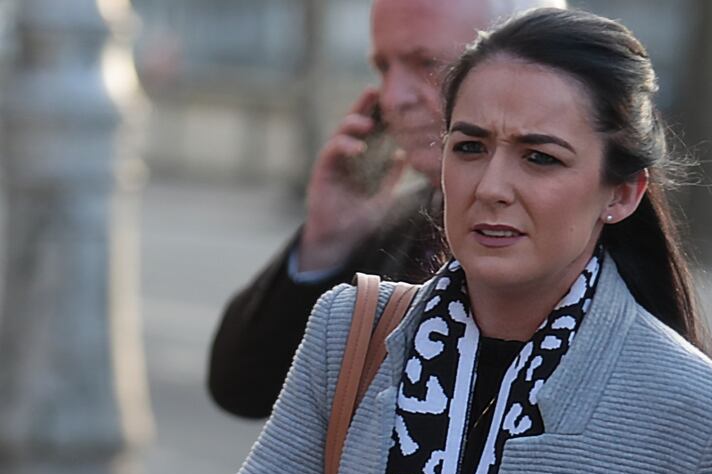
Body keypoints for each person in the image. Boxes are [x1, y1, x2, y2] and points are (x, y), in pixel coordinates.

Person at [187, 8, 712, 474]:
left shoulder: (705, 415)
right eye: (471, 147)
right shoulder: (352, 331)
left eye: (540, 158)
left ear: (622, 194)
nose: (492, 187)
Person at [208, 0, 566, 419]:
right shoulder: (398, 223)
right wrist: (327, 242)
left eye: (427, 64)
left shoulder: (585, 247)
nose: (393, 97)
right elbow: (244, 389)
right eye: (383, 68)